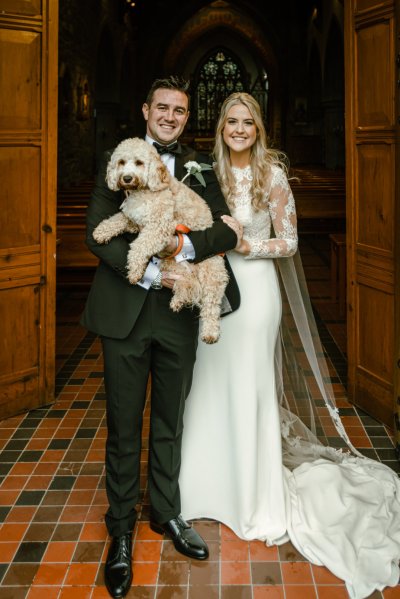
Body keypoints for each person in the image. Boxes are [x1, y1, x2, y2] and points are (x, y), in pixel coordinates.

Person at [179, 92, 400, 599]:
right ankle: (204, 488)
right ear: (221, 127)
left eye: (247, 123)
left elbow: (291, 242)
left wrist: (245, 245)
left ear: (258, 128)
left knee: (251, 386)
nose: (239, 129)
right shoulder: (206, 171)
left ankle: (254, 496)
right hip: (215, 291)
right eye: (231, 122)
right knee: (209, 385)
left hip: (256, 294)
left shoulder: (272, 175)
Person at [80, 76, 240, 599]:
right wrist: (151, 273)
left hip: (178, 312)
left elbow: (222, 232)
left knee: (170, 419)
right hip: (125, 312)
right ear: (146, 109)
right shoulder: (119, 158)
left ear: (186, 118)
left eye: (180, 111)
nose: (170, 117)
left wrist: (179, 252)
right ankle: (121, 529)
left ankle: (166, 515)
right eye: (163, 107)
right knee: (124, 425)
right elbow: (95, 232)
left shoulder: (199, 167)